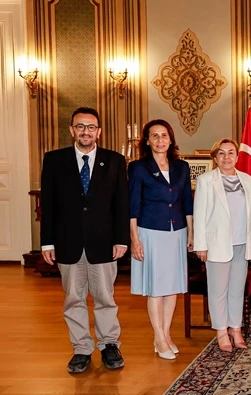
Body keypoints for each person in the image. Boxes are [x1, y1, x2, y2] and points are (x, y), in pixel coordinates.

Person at [40, 107, 129, 374]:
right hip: (67, 243)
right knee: (73, 299)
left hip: (104, 243)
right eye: (80, 126)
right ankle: (81, 349)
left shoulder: (114, 160)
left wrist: (121, 239)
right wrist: (47, 242)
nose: (85, 131)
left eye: (91, 127)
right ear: (72, 130)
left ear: (98, 131)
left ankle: (109, 345)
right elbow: (48, 204)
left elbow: (121, 204)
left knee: (105, 298)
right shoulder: (54, 160)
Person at [128, 119, 193, 360]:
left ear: (171, 139)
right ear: (147, 141)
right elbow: (133, 205)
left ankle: (165, 334)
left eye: (164, 135)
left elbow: (187, 202)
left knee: (172, 287)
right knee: (156, 287)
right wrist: (134, 238)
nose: (160, 140)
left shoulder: (181, 167)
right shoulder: (138, 168)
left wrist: (191, 232)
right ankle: (158, 336)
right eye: (154, 135)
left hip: (177, 231)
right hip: (150, 231)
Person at [193, 138, 251, 352]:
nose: (226, 157)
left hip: (242, 243)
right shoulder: (206, 180)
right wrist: (201, 245)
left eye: (231, 152)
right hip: (216, 244)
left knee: (237, 289)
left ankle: (235, 329)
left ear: (237, 157)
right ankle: (221, 331)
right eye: (221, 153)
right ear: (215, 158)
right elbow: (199, 214)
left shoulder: (247, 180)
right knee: (218, 291)